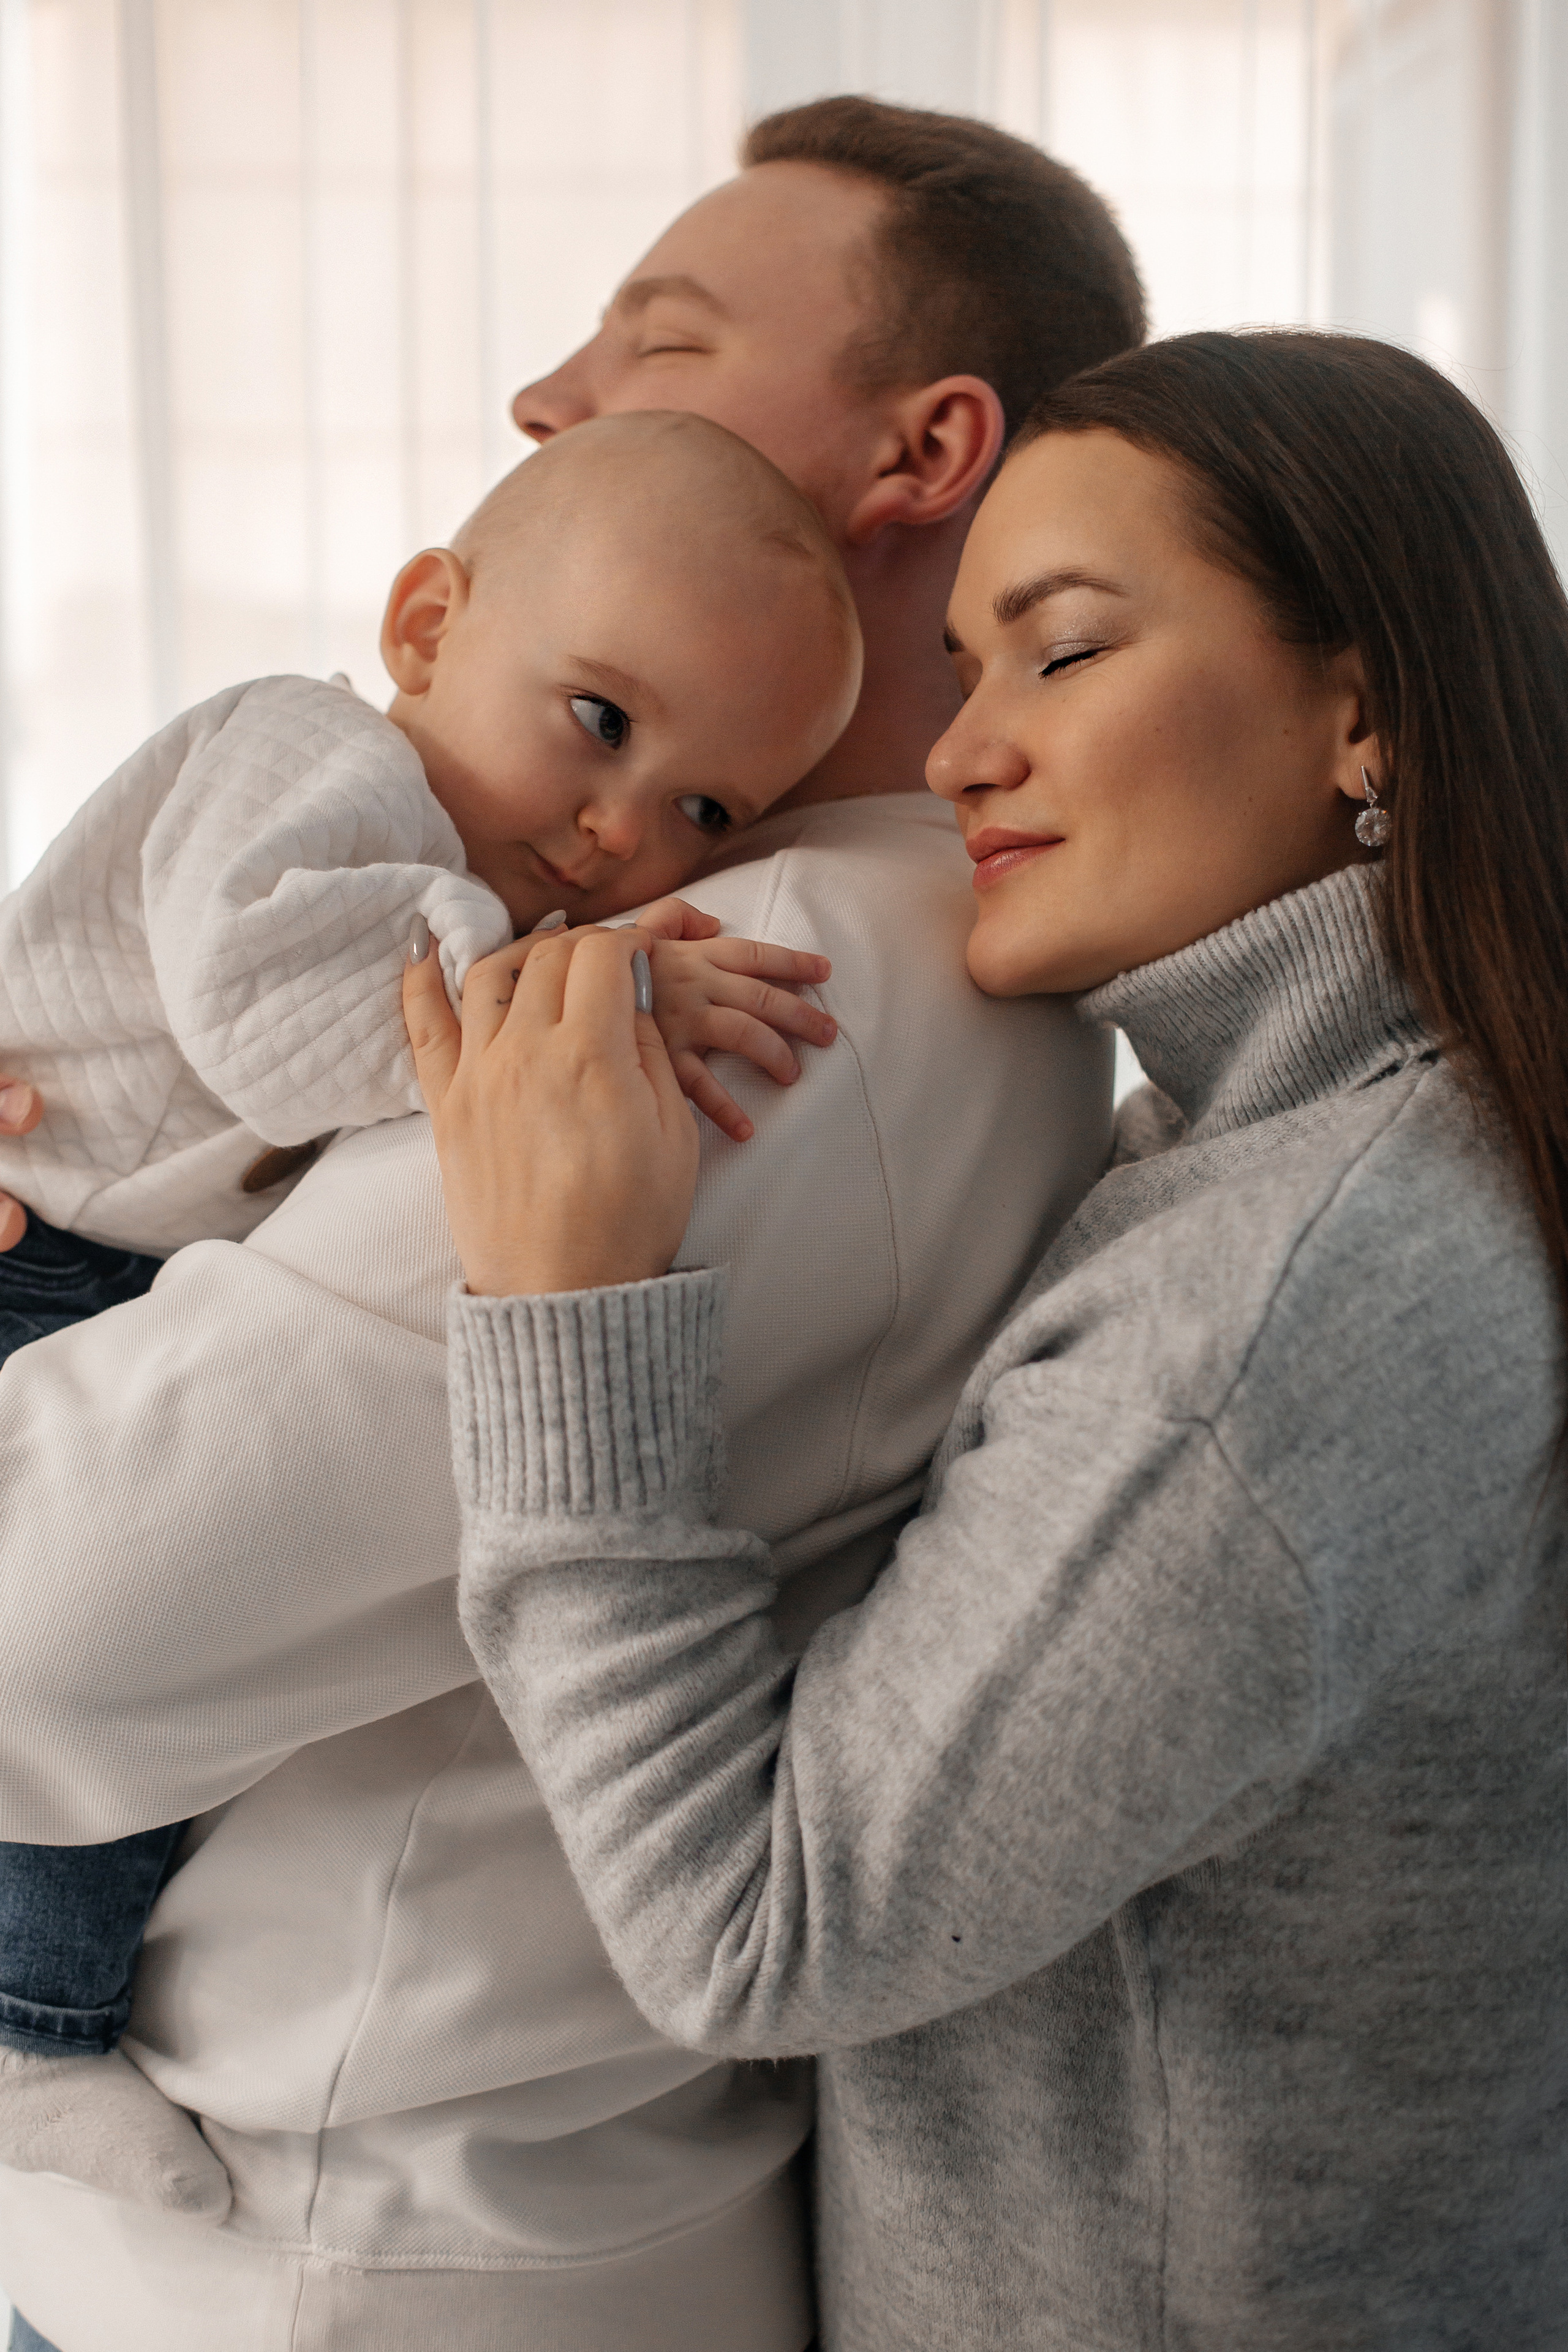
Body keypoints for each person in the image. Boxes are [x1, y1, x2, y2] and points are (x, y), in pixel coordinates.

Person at [0, 99, 1139, 2352]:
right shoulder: (783, 926)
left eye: (663, 336)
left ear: (926, 450)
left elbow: (43, 1619)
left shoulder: (753, 989)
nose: (548, 394)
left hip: (325, 2250)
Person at [412, 328, 1568, 2352]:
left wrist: (572, 1311)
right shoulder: (1333, 1151)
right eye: (963, 671)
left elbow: (753, 1934)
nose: (960, 754)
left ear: (1362, 710)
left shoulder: (1269, 1318)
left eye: (1066, 650)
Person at [0, 410, 857, 2217]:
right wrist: (570, 988)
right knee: (101, 1668)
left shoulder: (429, 847)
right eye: (601, 722)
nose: (622, 831)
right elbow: (263, 1010)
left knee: (172, 1705)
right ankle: (29, 2027)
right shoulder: (303, 751)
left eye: (706, 811)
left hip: (105, 1258)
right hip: (46, 1242)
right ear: (423, 629)